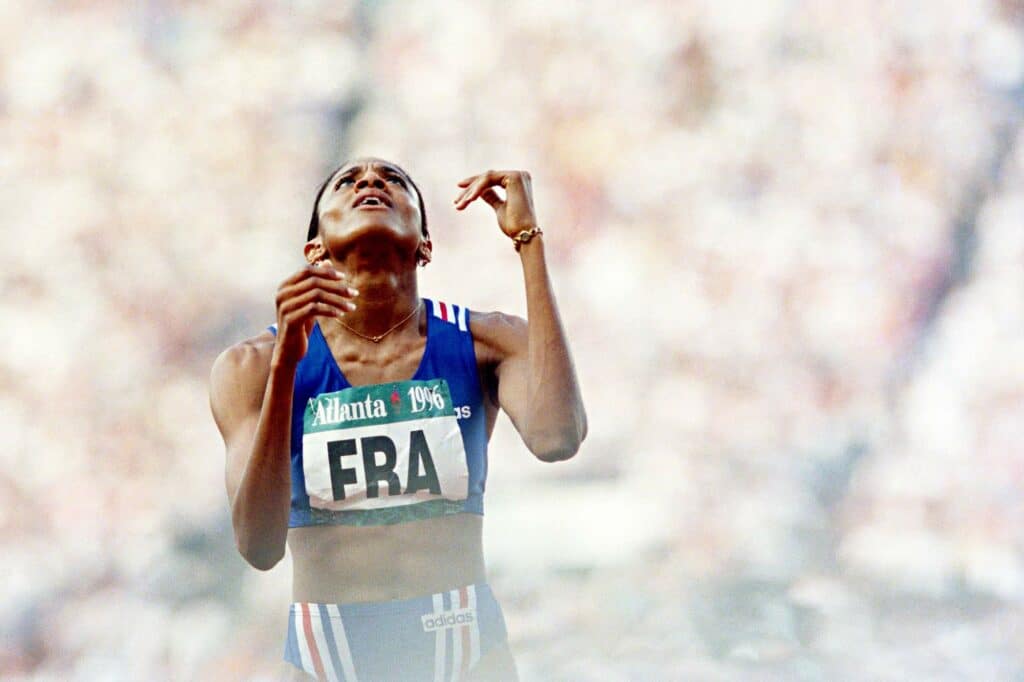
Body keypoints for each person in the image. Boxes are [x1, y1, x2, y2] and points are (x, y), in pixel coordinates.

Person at [208, 158, 587, 681]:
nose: (369, 182)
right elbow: (259, 545)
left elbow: (557, 437)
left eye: (393, 181)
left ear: (425, 245)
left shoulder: (485, 343)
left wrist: (529, 241)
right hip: (328, 661)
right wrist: (285, 369)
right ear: (314, 249)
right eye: (348, 182)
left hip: (469, 656)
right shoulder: (250, 367)